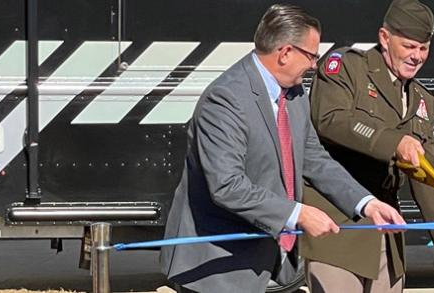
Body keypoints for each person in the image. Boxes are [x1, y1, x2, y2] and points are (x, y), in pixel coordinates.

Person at [160, 4, 405, 292]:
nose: (314, 65)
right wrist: (299, 214)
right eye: (312, 56)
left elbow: (315, 160)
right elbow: (227, 186)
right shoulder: (226, 99)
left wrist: (366, 203)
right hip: (217, 268)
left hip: (269, 261)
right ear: (285, 53)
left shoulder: (295, 93)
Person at [301, 0, 434, 292]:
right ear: (384, 37)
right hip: (339, 228)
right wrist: (394, 141)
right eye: (409, 46)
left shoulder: (423, 100)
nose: (417, 56)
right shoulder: (347, 67)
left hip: (387, 235)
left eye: (423, 48)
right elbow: (330, 119)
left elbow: (425, 174)